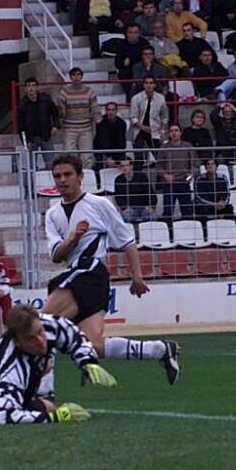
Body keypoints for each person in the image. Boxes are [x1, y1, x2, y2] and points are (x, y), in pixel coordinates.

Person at [40, 154, 180, 408]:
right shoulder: (52, 214)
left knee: (42, 326)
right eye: (58, 176)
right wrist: (72, 238)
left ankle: (44, 395)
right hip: (78, 274)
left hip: (91, 272)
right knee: (94, 344)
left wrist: (137, 276)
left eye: (67, 175)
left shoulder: (98, 204)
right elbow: (56, 256)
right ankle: (160, 350)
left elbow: (126, 240)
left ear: (80, 176)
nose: (62, 180)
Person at [0, 304, 112, 425]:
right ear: (17, 342)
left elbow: (74, 335)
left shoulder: (47, 323)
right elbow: (2, 416)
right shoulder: (12, 369)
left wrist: (87, 361)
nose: (40, 341)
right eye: (31, 339)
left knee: (47, 394)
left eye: (40, 332)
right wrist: (58, 417)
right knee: (49, 409)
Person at [56, 66, 98, 167]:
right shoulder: (64, 92)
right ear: (70, 77)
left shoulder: (89, 91)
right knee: (67, 156)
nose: (76, 77)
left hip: (86, 128)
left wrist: (97, 116)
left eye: (78, 75)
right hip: (70, 129)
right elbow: (61, 112)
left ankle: (86, 180)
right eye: (73, 75)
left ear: (82, 76)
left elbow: (94, 107)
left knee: (87, 157)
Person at [17, 77, 60, 150]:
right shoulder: (22, 105)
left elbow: (55, 113)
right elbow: (20, 126)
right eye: (28, 86)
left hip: (46, 135)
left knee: (50, 160)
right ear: (25, 89)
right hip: (31, 138)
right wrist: (26, 142)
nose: (31, 88)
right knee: (31, 161)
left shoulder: (46, 100)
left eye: (33, 85)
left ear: (37, 87)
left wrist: (55, 125)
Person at [112, 156, 158, 222]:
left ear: (131, 166)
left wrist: (152, 206)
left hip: (144, 207)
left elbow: (151, 192)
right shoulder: (118, 179)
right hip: (130, 208)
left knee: (152, 217)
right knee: (127, 218)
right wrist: (124, 208)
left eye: (127, 165)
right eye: (122, 166)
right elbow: (118, 197)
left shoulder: (142, 176)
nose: (125, 168)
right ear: (120, 168)